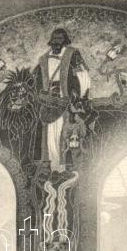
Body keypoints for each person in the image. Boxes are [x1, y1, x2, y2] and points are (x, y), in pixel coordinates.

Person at [32, 28, 91, 173]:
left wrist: (81, 96)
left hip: (67, 99)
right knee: (49, 132)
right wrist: (41, 95)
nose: (56, 42)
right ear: (51, 41)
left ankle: (66, 164)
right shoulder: (43, 59)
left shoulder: (72, 54)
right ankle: (50, 164)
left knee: (65, 130)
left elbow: (83, 74)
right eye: (54, 39)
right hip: (48, 102)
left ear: (65, 41)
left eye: (60, 39)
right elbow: (36, 80)